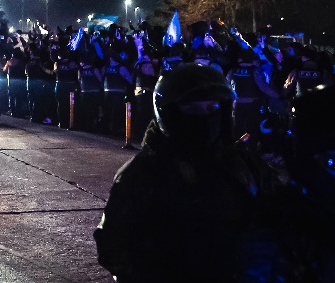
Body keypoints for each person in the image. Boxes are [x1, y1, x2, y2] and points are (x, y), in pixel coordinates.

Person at [94, 63, 275, 282]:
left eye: (212, 108)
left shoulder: (244, 164)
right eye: (193, 109)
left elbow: (279, 214)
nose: (205, 117)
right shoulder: (144, 173)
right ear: (169, 113)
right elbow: (113, 244)